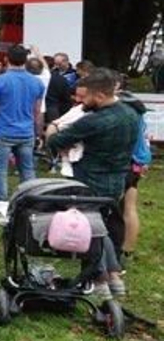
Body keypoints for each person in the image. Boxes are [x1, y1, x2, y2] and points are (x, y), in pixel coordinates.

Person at [45, 69, 142, 292]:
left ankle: (100, 279)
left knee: (90, 229)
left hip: (90, 181)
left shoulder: (93, 122)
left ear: (99, 95)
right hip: (117, 179)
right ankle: (113, 276)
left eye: (84, 97)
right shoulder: (130, 114)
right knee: (102, 226)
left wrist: (52, 130)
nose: (79, 101)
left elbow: (56, 142)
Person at [0, 44, 45, 202]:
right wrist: (38, 133)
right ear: (26, 60)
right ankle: (30, 201)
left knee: (0, 170)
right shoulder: (37, 83)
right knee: (27, 170)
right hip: (26, 132)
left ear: (6, 59)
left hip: (2, 131)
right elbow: (37, 112)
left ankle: (1, 204)